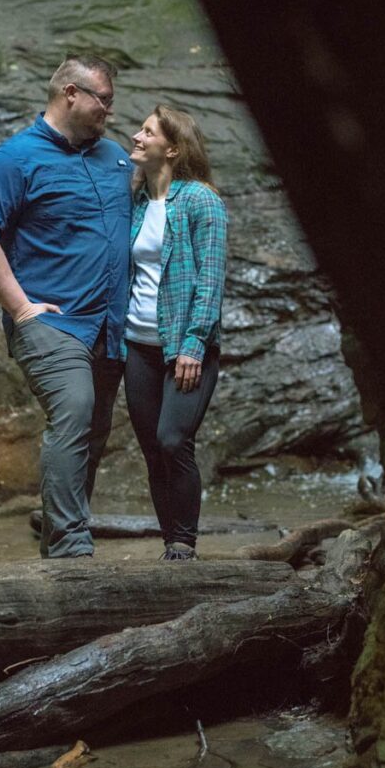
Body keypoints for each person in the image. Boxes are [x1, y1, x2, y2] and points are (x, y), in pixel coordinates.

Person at [0, 55, 131, 558]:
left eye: (112, 101)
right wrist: (20, 308)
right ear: (70, 94)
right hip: (52, 323)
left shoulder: (116, 157)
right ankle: (70, 550)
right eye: (103, 99)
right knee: (74, 410)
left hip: (110, 324)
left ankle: (64, 533)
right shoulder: (14, 159)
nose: (109, 110)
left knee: (95, 431)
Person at [122, 104, 228, 561]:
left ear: (173, 148)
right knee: (151, 450)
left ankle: (185, 541)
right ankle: (171, 545)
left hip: (186, 348)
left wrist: (193, 343)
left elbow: (211, 279)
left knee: (172, 439)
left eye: (147, 132)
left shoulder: (200, 200)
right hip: (138, 345)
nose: (137, 136)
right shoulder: (139, 201)